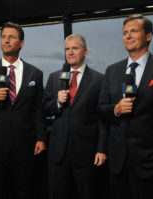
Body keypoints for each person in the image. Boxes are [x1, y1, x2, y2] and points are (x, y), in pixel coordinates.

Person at [98, 14, 153, 199]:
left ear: (148, 36)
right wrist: (116, 109)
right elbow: (101, 109)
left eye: (133, 31)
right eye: (124, 33)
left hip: (151, 164)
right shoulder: (112, 70)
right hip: (118, 165)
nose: (128, 36)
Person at [0, 22, 46, 199]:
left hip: (25, 146)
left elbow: (38, 109)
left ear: (21, 43)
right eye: (3, 37)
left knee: (24, 191)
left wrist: (41, 138)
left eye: (11, 37)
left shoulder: (35, 74)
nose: (6, 40)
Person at [42, 33, 107, 199]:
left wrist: (101, 149)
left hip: (86, 154)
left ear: (85, 52)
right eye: (67, 49)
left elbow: (103, 118)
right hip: (58, 153)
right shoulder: (54, 77)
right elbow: (44, 108)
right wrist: (57, 102)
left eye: (75, 48)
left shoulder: (99, 80)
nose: (70, 52)